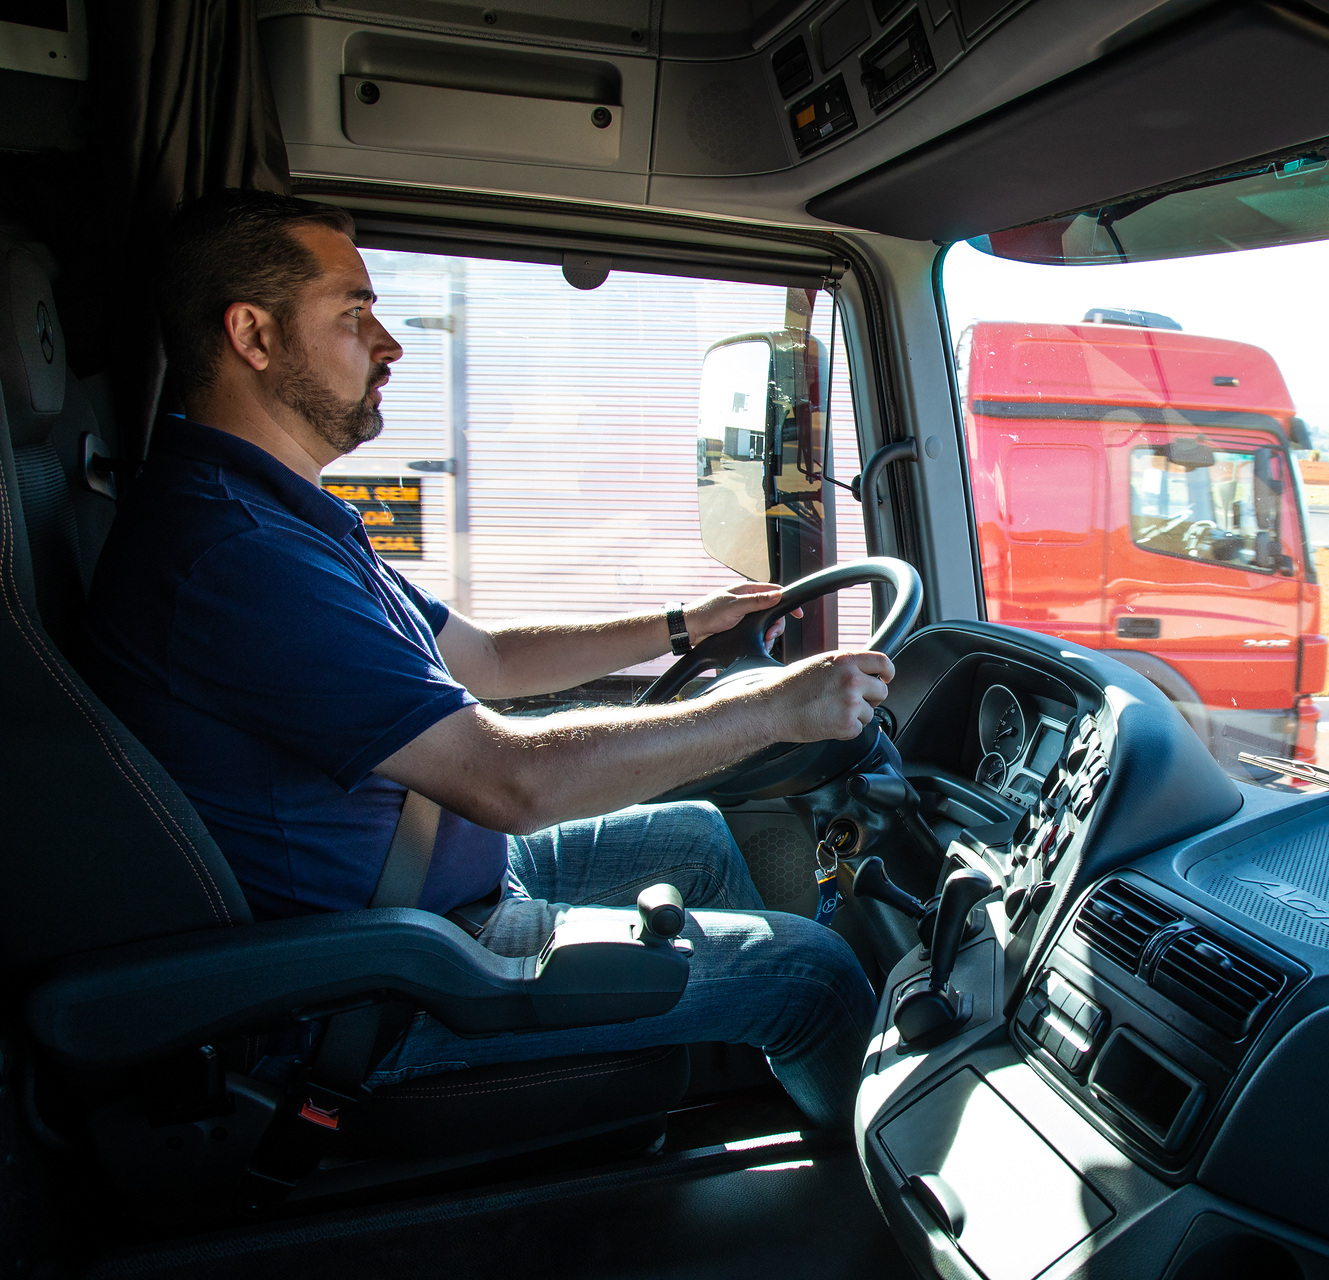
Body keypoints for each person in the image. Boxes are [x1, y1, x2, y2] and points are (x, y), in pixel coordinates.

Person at [83, 189, 891, 1129]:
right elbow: (511, 782)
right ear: (253, 335)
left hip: (441, 895)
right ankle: (875, 1212)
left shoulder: (279, 514)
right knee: (815, 972)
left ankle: (741, 1086)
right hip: (379, 980)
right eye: (354, 314)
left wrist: (686, 624)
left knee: (698, 837)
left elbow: (485, 656)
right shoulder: (231, 555)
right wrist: (775, 708)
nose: (387, 344)